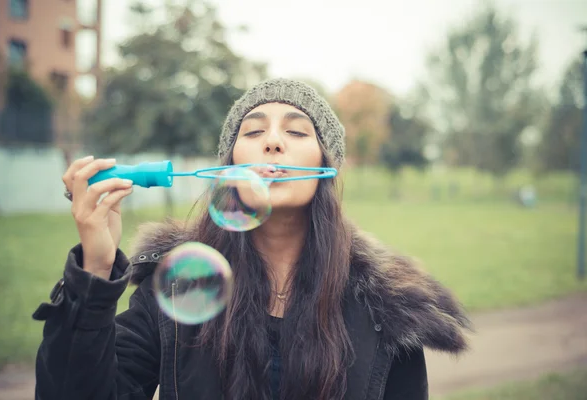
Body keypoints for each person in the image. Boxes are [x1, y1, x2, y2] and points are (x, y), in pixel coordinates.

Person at [33, 78, 471, 400]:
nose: (274, 142)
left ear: (326, 166)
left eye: (297, 132)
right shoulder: (175, 287)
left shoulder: (386, 308)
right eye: (254, 131)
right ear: (229, 165)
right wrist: (95, 267)